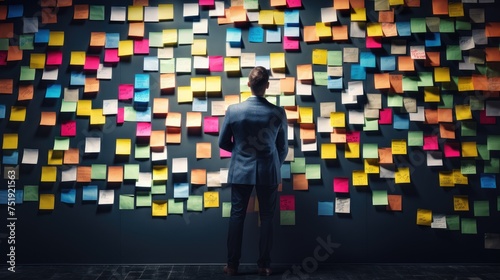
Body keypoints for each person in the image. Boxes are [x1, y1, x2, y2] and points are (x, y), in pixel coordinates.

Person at [219, 66, 288, 276]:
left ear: (248, 84)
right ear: (267, 86)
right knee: (267, 217)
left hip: (241, 170)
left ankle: (232, 265)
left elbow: (223, 142)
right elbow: (282, 148)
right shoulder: (278, 112)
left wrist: (240, 152)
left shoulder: (234, 111)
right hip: (268, 170)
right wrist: (274, 162)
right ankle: (264, 265)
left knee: (237, 216)